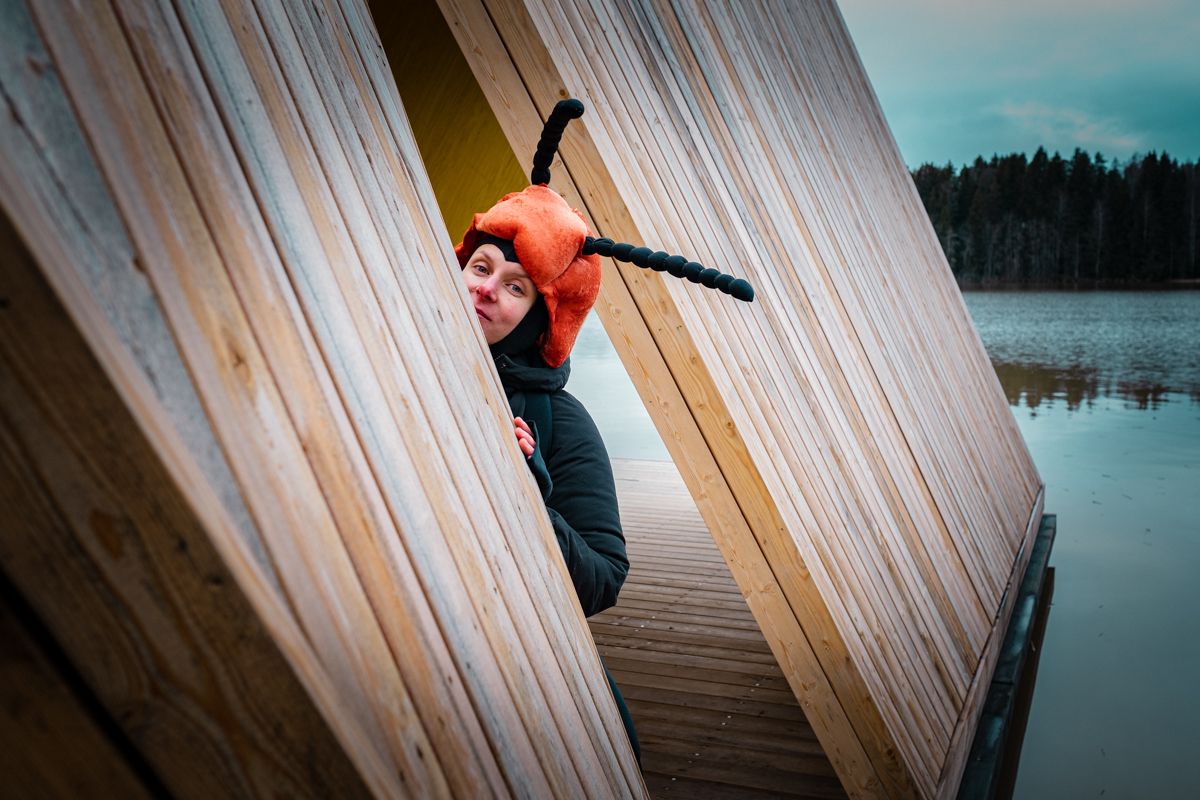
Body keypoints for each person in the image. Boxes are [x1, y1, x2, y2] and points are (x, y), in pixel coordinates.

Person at [454, 98, 754, 768]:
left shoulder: (567, 425)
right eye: (480, 268)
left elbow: (602, 580)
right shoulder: (391, 357)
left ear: (541, 321)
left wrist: (527, 485)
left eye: (514, 287)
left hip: (509, 684)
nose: (485, 290)